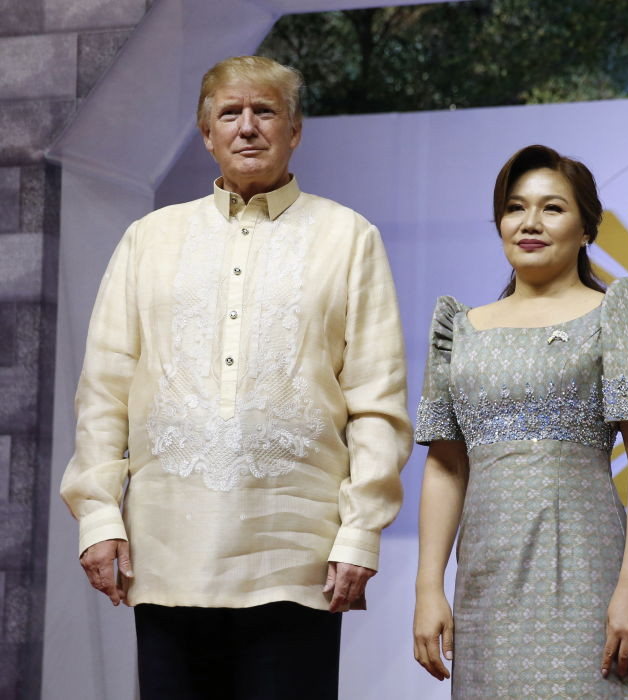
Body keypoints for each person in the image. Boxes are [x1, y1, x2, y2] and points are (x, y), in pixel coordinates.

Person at [60, 55, 411, 700]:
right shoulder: (148, 239)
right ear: (206, 133)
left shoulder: (348, 238)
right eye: (230, 113)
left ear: (294, 130)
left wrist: (361, 530)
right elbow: (104, 392)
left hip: (297, 554)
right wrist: (99, 517)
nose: (247, 127)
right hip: (165, 552)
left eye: (265, 111)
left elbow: (377, 403)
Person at [411, 145, 628, 698]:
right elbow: (445, 465)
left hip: (585, 577)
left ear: (586, 229)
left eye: (552, 208)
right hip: (485, 584)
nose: (529, 223)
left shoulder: (616, 310)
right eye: (515, 208)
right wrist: (428, 587)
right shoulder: (460, 328)